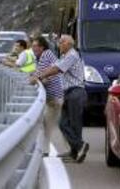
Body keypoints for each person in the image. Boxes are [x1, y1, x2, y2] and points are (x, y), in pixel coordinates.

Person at [32, 35, 89, 163]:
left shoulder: (72, 55)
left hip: (75, 92)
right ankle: (75, 150)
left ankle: (79, 148)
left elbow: (56, 69)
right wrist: (41, 76)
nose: (59, 45)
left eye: (62, 42)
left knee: (73, 123)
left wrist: (39, 77)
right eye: (59, 42)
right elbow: (53, 67)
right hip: (68, 92)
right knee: (65, 123)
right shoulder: (64, 56)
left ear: (69, 44)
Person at [29, 36, 64, 157]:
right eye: (32, 46)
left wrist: (36, 78)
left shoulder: (46, 55)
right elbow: (39, 74)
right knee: (44, 123)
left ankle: (45, 150)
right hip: (50, 97)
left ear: (42, 47)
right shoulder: (40, 57)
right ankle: (43, 149)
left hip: (54, 97)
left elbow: (41, 73)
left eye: (36, 46)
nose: (33, 48)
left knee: (47, 125)